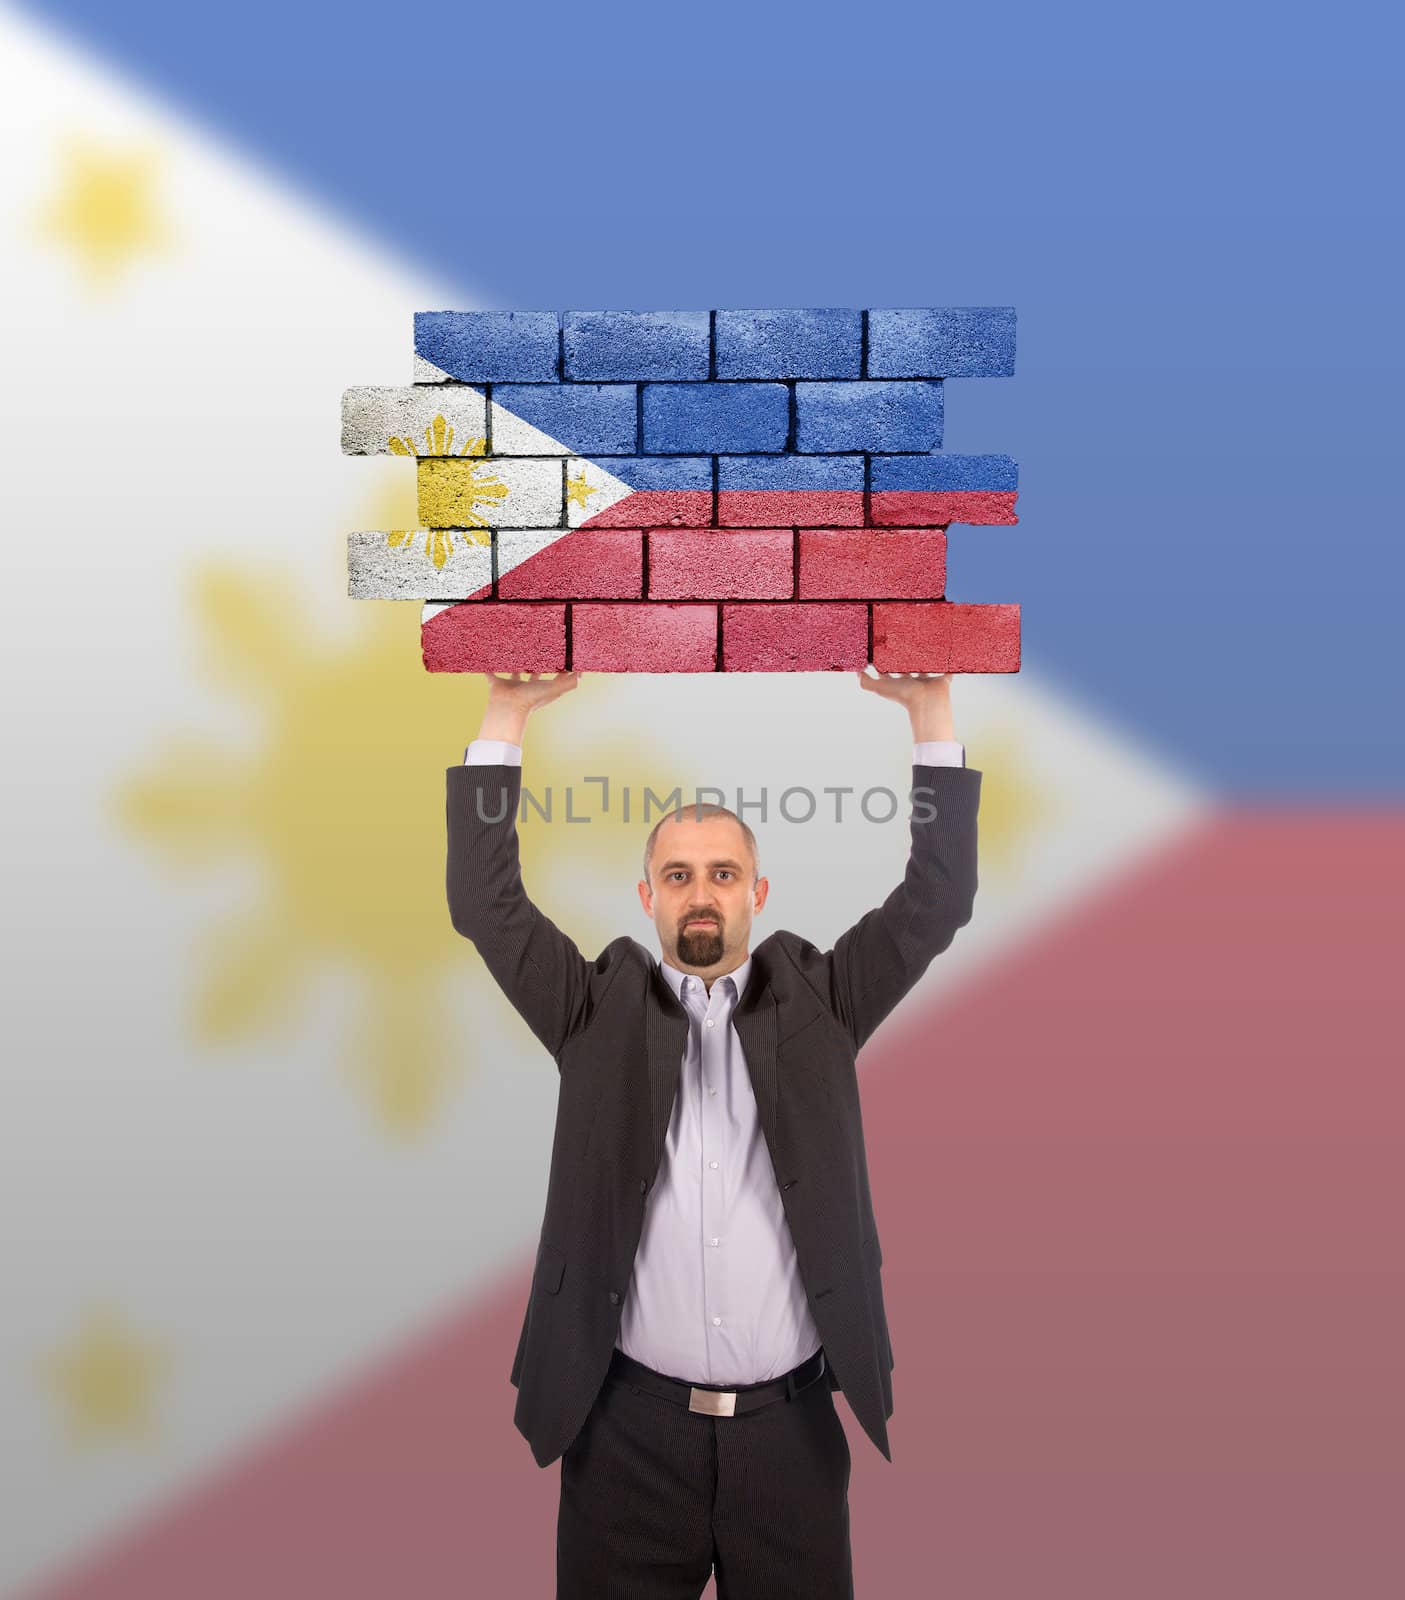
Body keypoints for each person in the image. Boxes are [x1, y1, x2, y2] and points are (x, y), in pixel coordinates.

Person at [447, 668, 981, 1598]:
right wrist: (507, 712)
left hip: (793, 1440)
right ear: (647, 895)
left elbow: (934, 902)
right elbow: (485, 908)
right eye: (680, 877)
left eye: (723, 875)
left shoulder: (825, 998)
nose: (703, 895)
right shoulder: (591, 1009)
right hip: (623, 1437)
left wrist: (929, 712)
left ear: (757, 893)